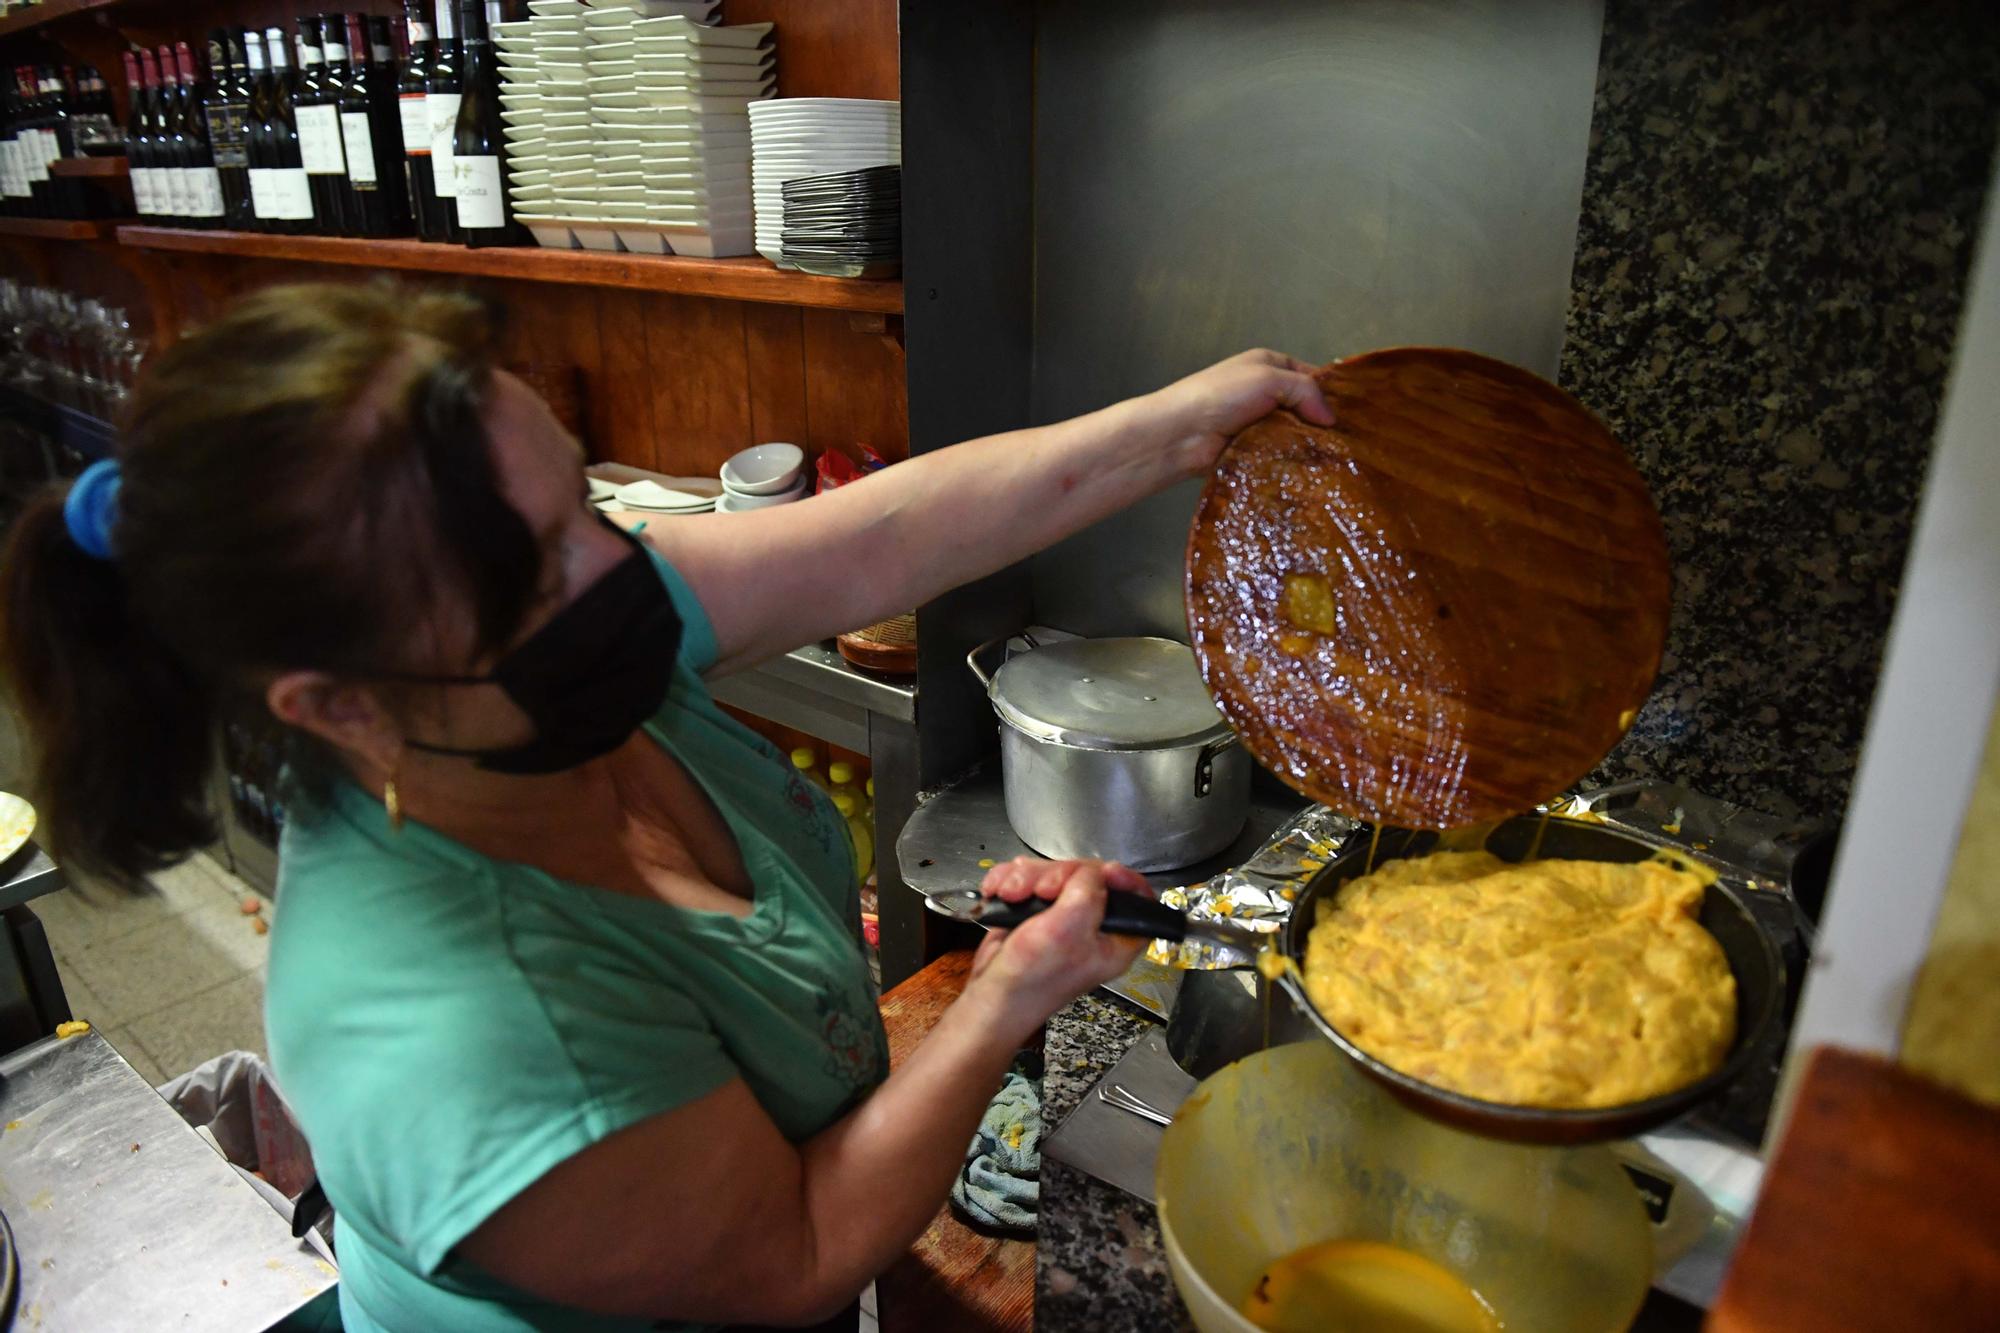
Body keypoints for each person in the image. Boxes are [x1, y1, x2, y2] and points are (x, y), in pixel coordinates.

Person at [0, 282, 1333, 1331]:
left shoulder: (549, 657)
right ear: (336, 703)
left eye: (582, 498)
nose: (626, 562)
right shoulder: (451, 1027)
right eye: (540, 568)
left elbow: (879, 538)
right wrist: (1000, 996)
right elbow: (797, 1249)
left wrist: (1184, 425)